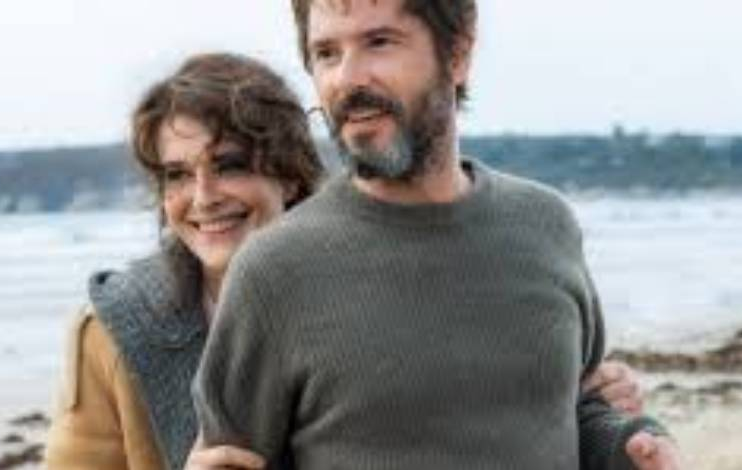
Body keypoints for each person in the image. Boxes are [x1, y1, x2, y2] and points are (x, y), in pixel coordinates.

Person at [192, 1, 681, 469]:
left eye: (379, 42)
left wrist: (633, 447)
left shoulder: (547, 225)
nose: (347, 78)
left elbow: (579, 412)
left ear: (458, 52)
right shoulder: (275, 270)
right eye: (327, 53)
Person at [44, 52, 324, 470]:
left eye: (229, 166)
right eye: (177, 174)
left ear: (289, 176)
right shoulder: (113, 331)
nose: (204, 197)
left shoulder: (359, 302)